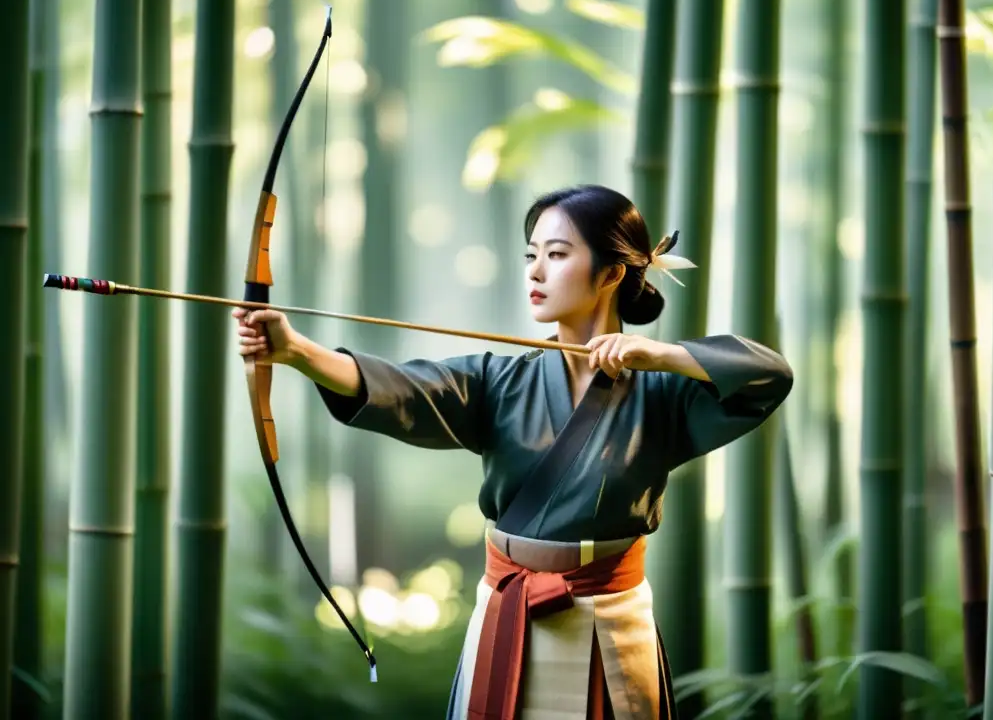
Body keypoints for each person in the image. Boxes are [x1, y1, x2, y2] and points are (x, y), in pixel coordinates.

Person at [233, 184, 793, 719]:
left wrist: (663, 356)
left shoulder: (664, 392)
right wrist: (298, 351)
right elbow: (402, 387)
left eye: (556, 254)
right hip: (510, 615)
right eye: (531, 254)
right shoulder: (499, 380)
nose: (535, 270)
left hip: (612, 623)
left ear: (612, 273)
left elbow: (768, 376)